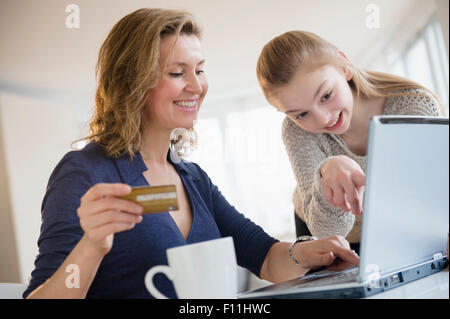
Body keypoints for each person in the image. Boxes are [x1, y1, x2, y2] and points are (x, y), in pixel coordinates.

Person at [23, 9, 358, 299]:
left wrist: (312, 253)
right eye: (176, 72)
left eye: (199, 70)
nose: (197, 87)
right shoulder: (84, 172)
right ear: (131, 82)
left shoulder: (193, 177)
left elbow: (265, 257)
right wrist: (92, 246)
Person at [256, 30, 444, 254]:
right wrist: (327, 173)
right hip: (321, 226)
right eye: (301, 114)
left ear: (344, 66)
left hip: (395, 226)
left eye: (326, 96)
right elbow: (328, 232)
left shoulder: (414, 107)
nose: (323, 118)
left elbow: (427, 193)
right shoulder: (296, 131)